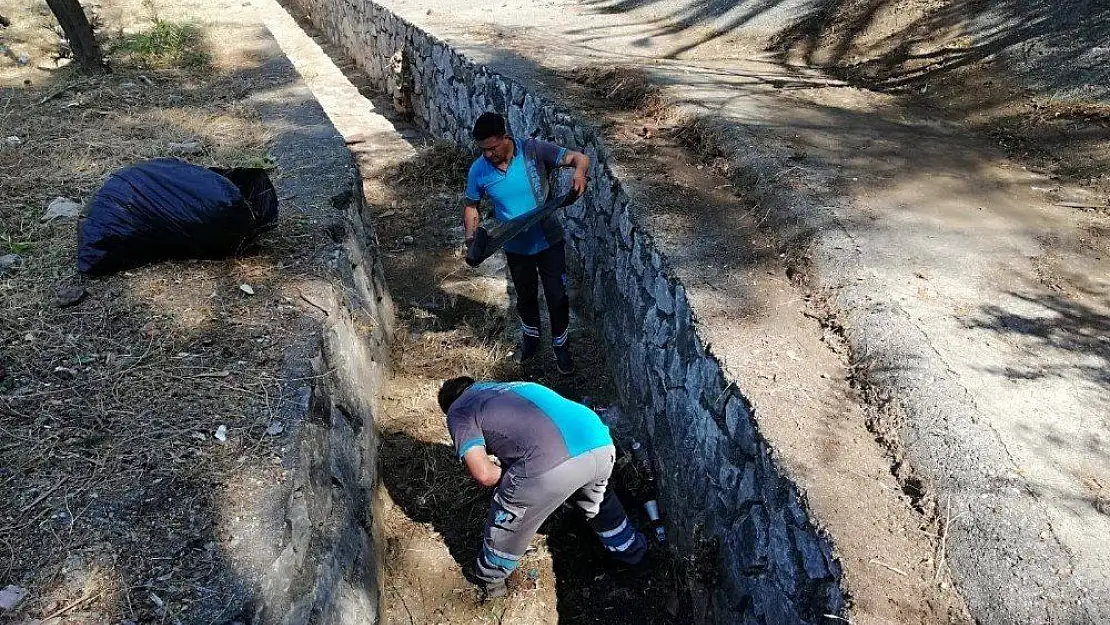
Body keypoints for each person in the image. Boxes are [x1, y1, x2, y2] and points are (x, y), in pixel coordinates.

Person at [438, 376, 648, 599]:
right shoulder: (512, 387)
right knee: (599, 503)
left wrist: (513, 478)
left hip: (551, 465)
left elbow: (485, 474)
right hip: (600, 443)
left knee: (509, 516)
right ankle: (633, 552)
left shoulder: (458, 410)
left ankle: (491, 580)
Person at [463, 112, 590, 375]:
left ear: (505, 137)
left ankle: (561, 346)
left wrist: (579, 173)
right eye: (483, 150)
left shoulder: (533, 151)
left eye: (492, 147)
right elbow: (471, 206)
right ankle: (531, 340)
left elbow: (580, 157)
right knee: (526, 297)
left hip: (548, 240)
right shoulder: (478, 170)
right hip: (514, 245)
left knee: (557, 297)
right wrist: (471, 239)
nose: (488, 154)